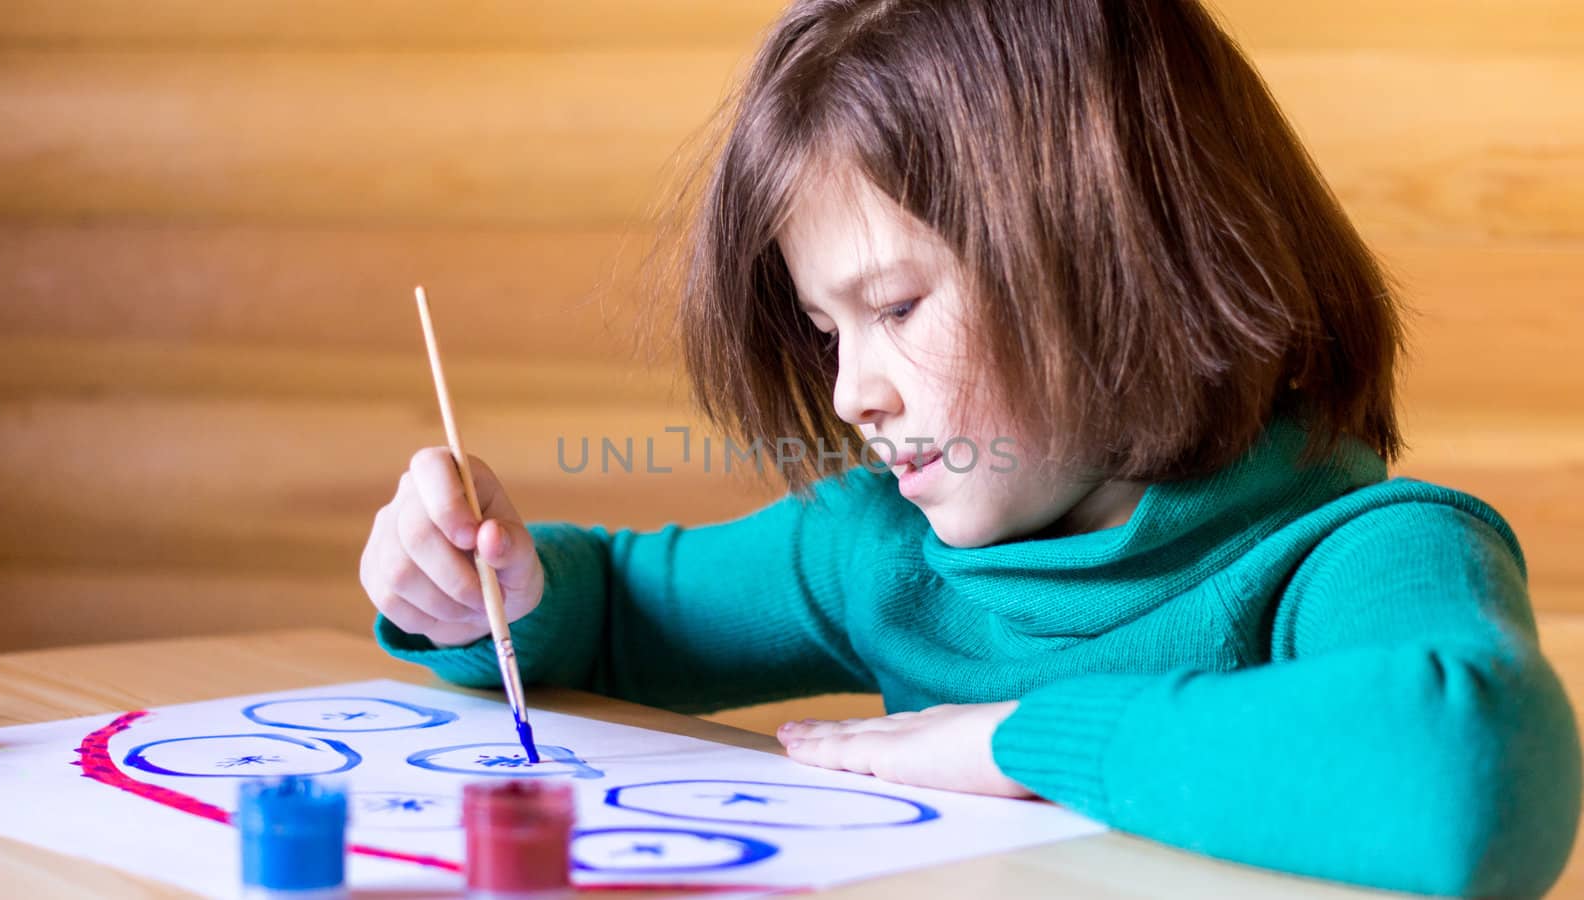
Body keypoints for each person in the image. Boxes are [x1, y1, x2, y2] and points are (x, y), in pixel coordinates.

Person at [358, 1, 1581, 895]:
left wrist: (1010, 741)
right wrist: (489, 596)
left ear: (1119, 255)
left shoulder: (1364, 550)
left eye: (893, 308)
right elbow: (617, 613)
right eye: (827, 328)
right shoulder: (877, 550)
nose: (848, 392)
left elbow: (1467, 779)